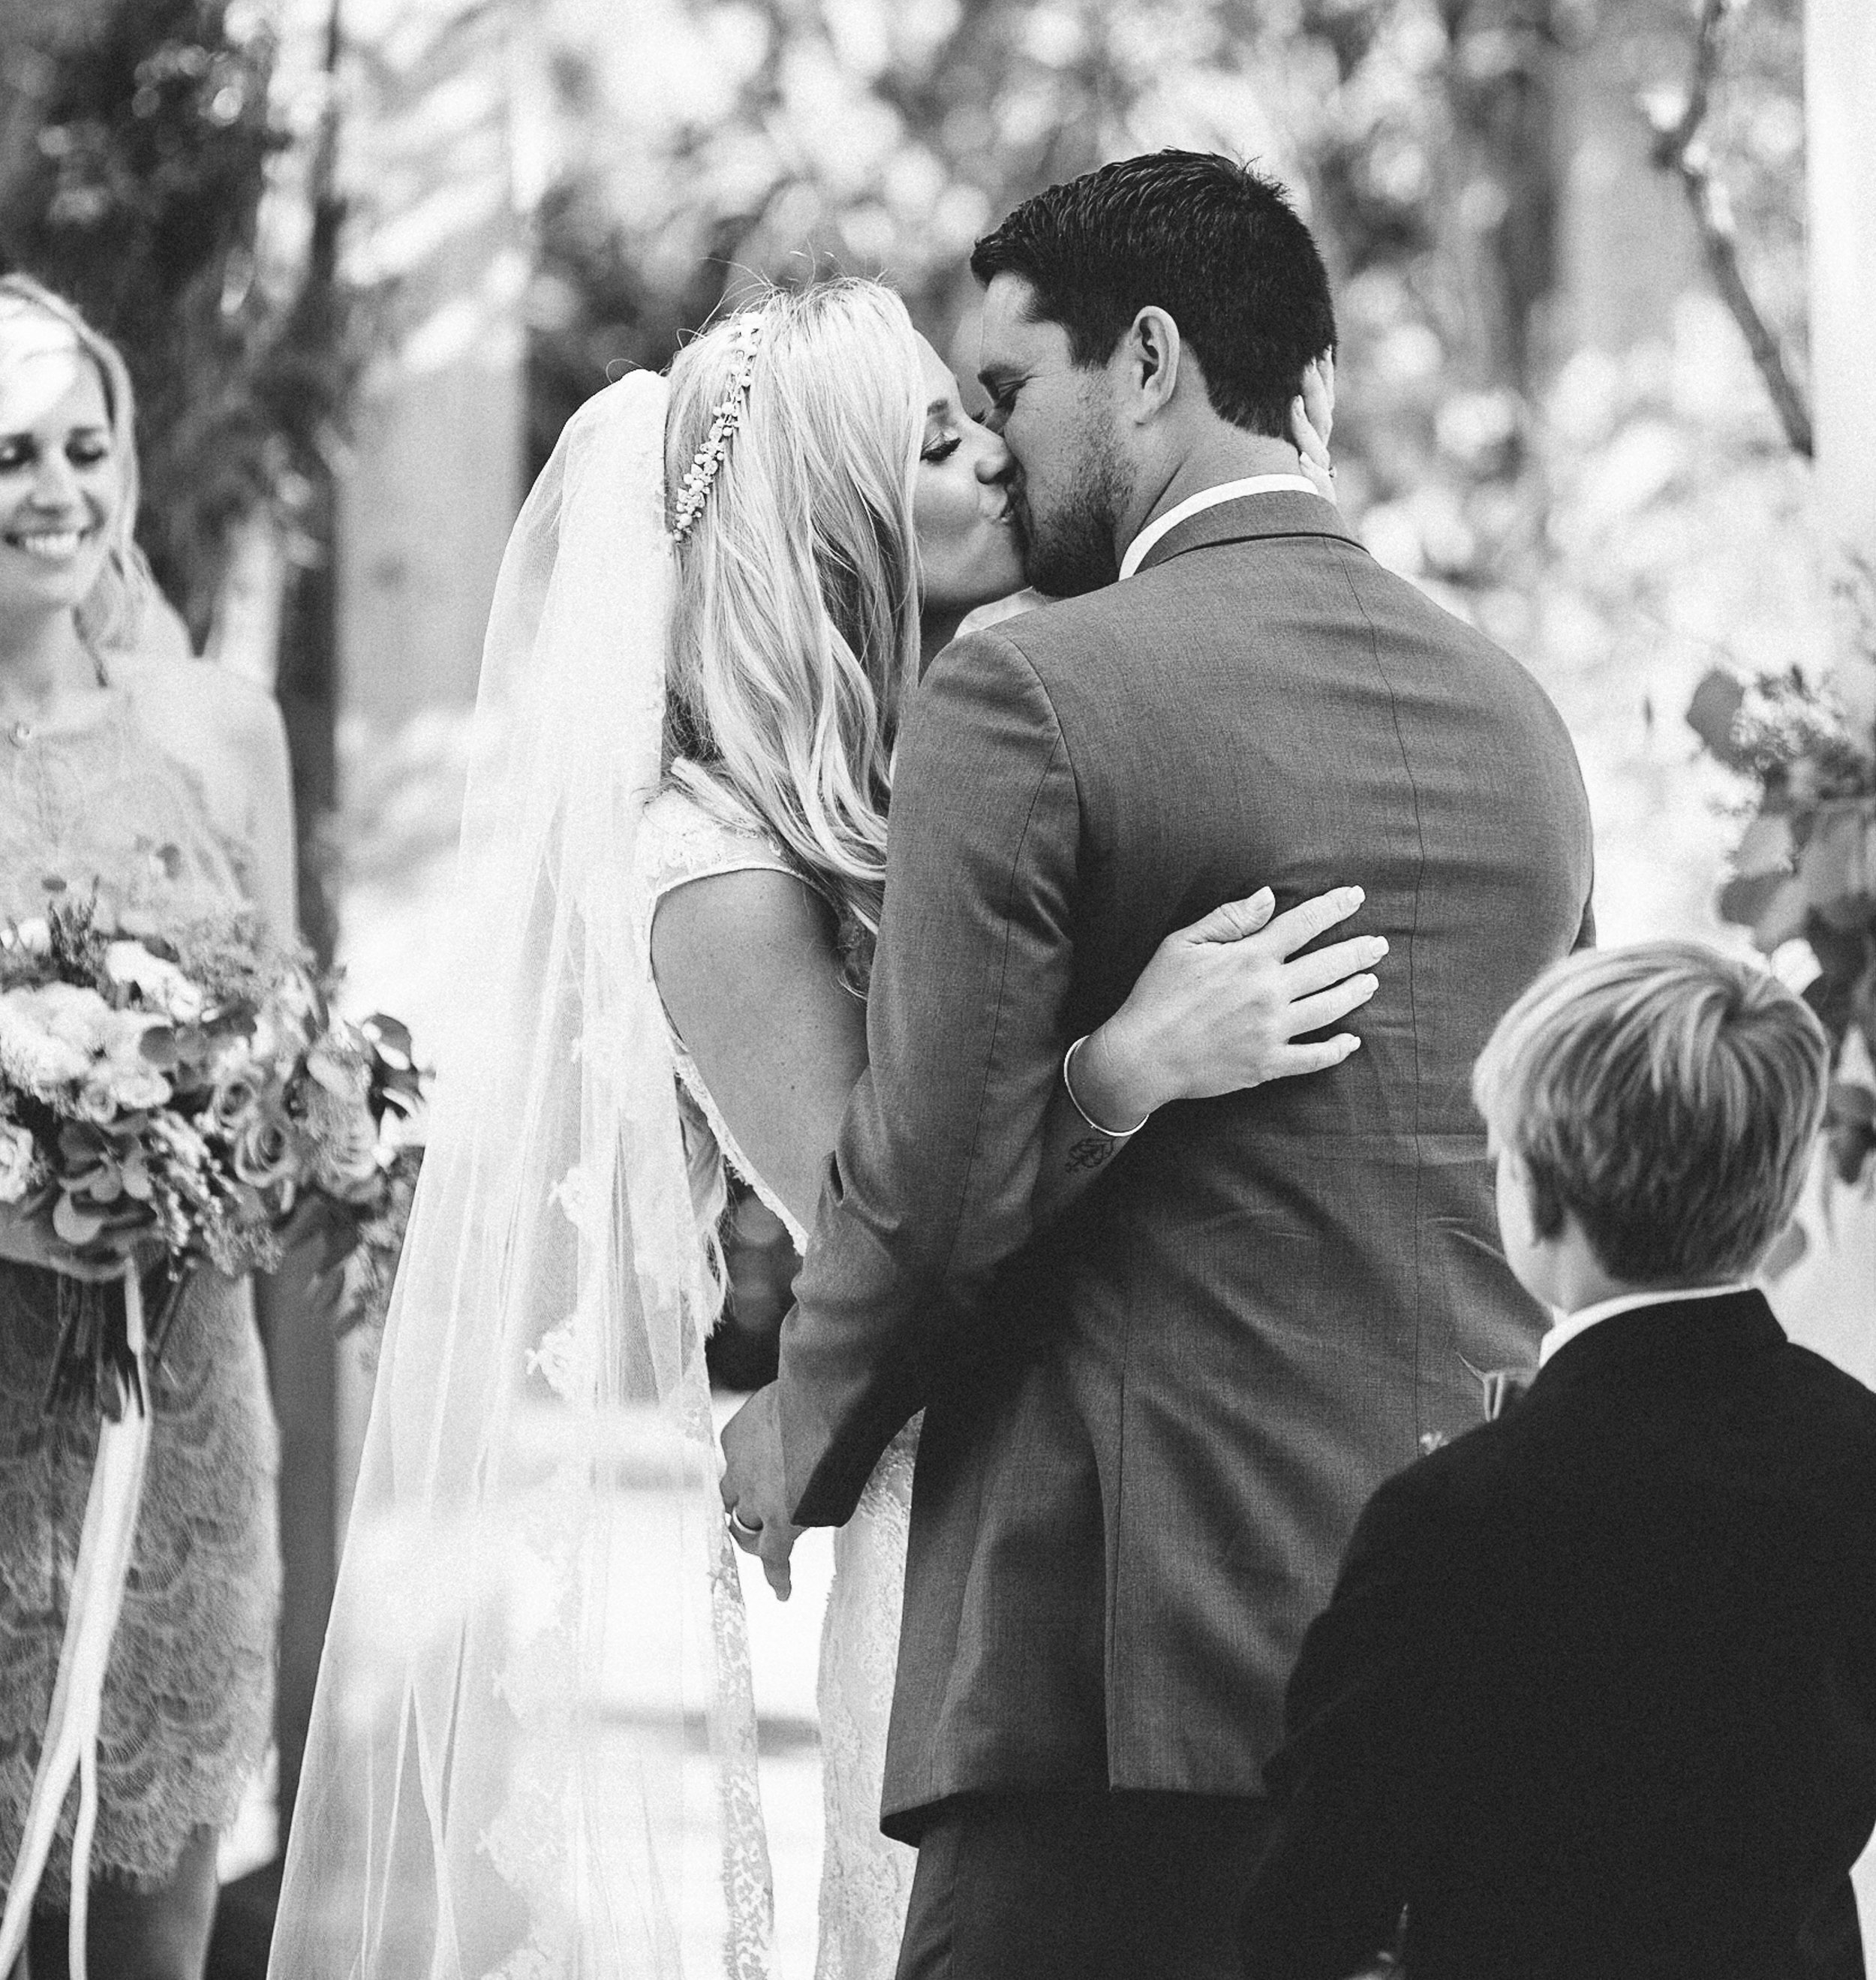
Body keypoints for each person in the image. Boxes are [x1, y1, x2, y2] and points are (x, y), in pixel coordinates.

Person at [271, 274, 1378, 1980]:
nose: (1000, 453)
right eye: (940, 436)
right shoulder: (710, 862)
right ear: (837, 507)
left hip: (1168, 1507)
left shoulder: (980, 731)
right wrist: (1128, 1063)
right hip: (953, 1528)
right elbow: (881, 1217)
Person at [720, 149, 1597, 1980]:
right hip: (1483, 1679)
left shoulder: (1029, 693)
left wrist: (780, 1442)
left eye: (1005, 393)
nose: (991, 444)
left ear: (1143, 361)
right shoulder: (1520, 720)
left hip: (1122, 1696)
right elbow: (1555, 1196)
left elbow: (927, 1189)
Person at [1237, 943, 1876, 1980]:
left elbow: (1312, 1907)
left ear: (1539, 1199)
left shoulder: (1453, 1517)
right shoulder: (1858, 1460)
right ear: (1781, 1181)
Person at [0, 275, 293, 1980]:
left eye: (82, 446)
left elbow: (289, 1052)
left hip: (181, 1397)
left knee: (153, 1913)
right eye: (9, 452)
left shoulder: (219, 727)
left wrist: (202, 1160)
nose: (53, 486)